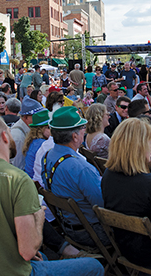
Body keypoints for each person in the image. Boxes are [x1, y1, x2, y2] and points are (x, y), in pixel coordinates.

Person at [0, 114, 104, 276]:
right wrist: (39, 218)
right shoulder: (17, 179)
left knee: (45, 258)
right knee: (95, 266)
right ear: (5, 136)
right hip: (13, 271)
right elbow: (27, 251)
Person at [41, 106, 110, 247]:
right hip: (91, 233)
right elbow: (103, 205)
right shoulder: (81, 168)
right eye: (82, 128)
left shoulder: (47, 156)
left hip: (68, 226)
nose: (84, 131)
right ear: (74, 136)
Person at [101, 118, 151, 269]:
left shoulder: (108, 175)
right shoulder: (150, 183)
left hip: (125, 247)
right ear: (139, 147)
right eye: (150, 142)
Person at [10, 96, 46, 169]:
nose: (39, 118)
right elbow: (18, 166)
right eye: (35, 116)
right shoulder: (18, 136)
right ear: (26, 117)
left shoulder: (27, 129)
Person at [23, 109, 51, 178]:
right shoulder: (42, 144)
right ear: (40, 129)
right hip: (36, 181)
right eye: (48, 128)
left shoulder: (33, 141)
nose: (52, 130)